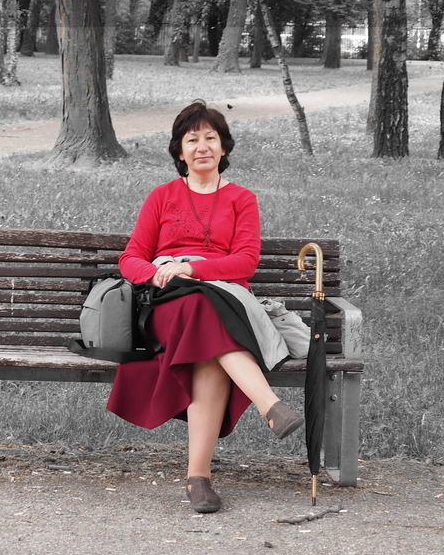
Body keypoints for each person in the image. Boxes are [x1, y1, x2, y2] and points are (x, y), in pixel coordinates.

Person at [106, 100, 304, 514]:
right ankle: (270, 406)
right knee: (199, 310)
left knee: (208, 345)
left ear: (224, 148)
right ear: (180, 151)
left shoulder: (242, 200)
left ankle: (199, 479)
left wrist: (192, 268)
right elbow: (131, 258)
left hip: (220, 303)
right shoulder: (162, 197)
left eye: (210, 138)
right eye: (192, 139)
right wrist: (159, 273)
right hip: (167, 307)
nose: (202, 146)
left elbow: (245, 262)